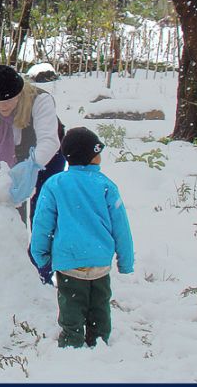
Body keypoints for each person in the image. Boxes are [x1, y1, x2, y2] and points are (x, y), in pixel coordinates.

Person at [30, 127, 135, 348]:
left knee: (71, 304)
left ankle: (71, 341)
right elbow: (121, 227)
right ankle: (99, 340)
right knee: (100, 304)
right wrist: (125, 261)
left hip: (69, 263)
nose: (101, 156)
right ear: (91, 156)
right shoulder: (106, 186)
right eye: (98, 151)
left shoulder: (55, 184)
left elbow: (42, 223)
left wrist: (40, 254)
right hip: (99, 261)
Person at [0, 64, 66, 225]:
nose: (3, 106)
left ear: (19, 93)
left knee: (42, 211)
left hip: (49, 156)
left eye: (8, 100)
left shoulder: (40, 100)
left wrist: (30, 168)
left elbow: (48, 141)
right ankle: (15, 247)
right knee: (10, 211)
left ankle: (40, 249)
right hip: (11, 159)